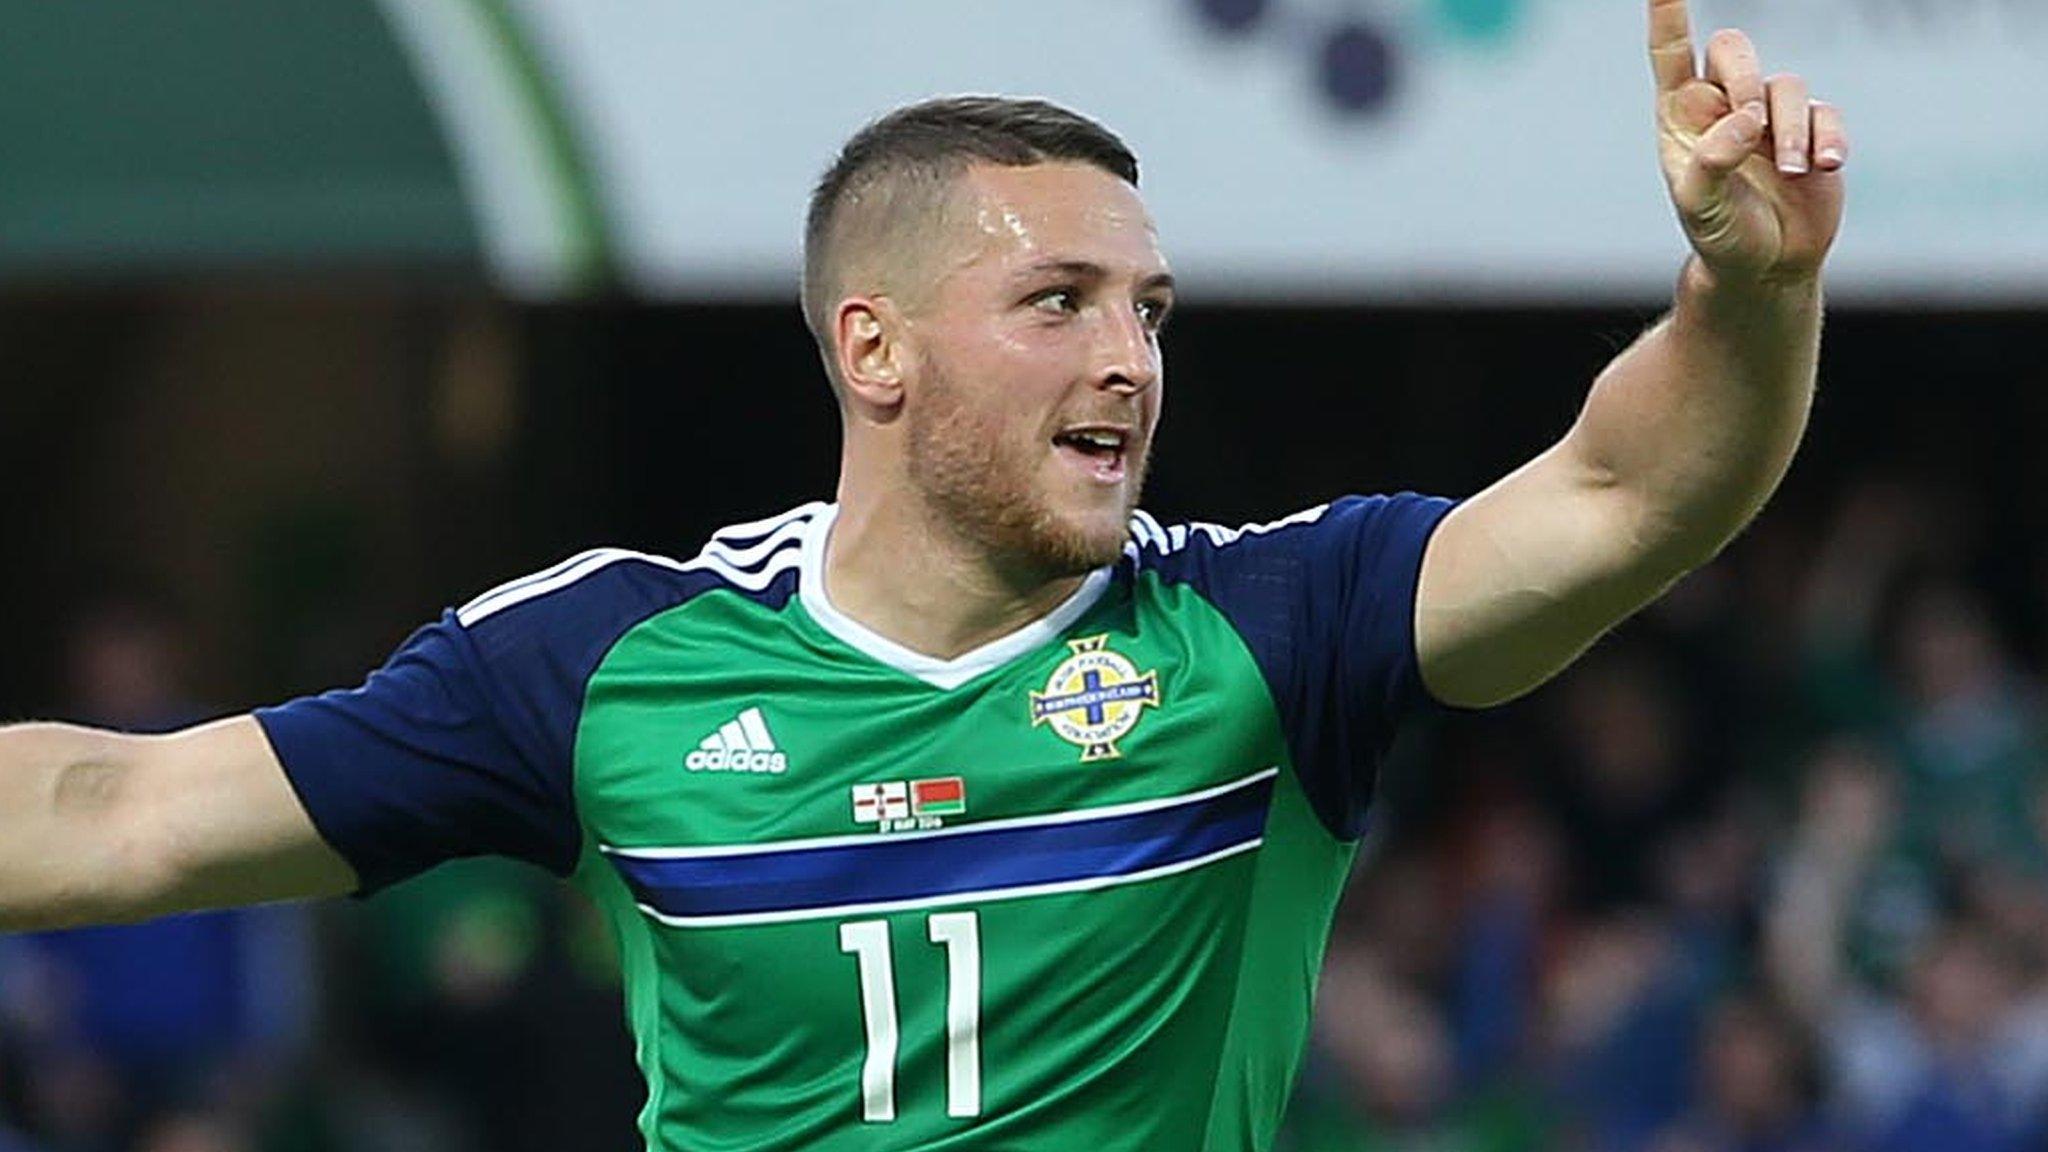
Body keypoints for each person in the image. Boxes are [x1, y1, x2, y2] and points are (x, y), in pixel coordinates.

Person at [0, 2, 1847, 1148]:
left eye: (1148, 309)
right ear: (873, 352)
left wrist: (1747, 296)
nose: (1129, 357)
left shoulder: (1277, 629)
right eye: (1058, 304)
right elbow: (115, 806)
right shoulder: (611, 666)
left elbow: (1625, 498)